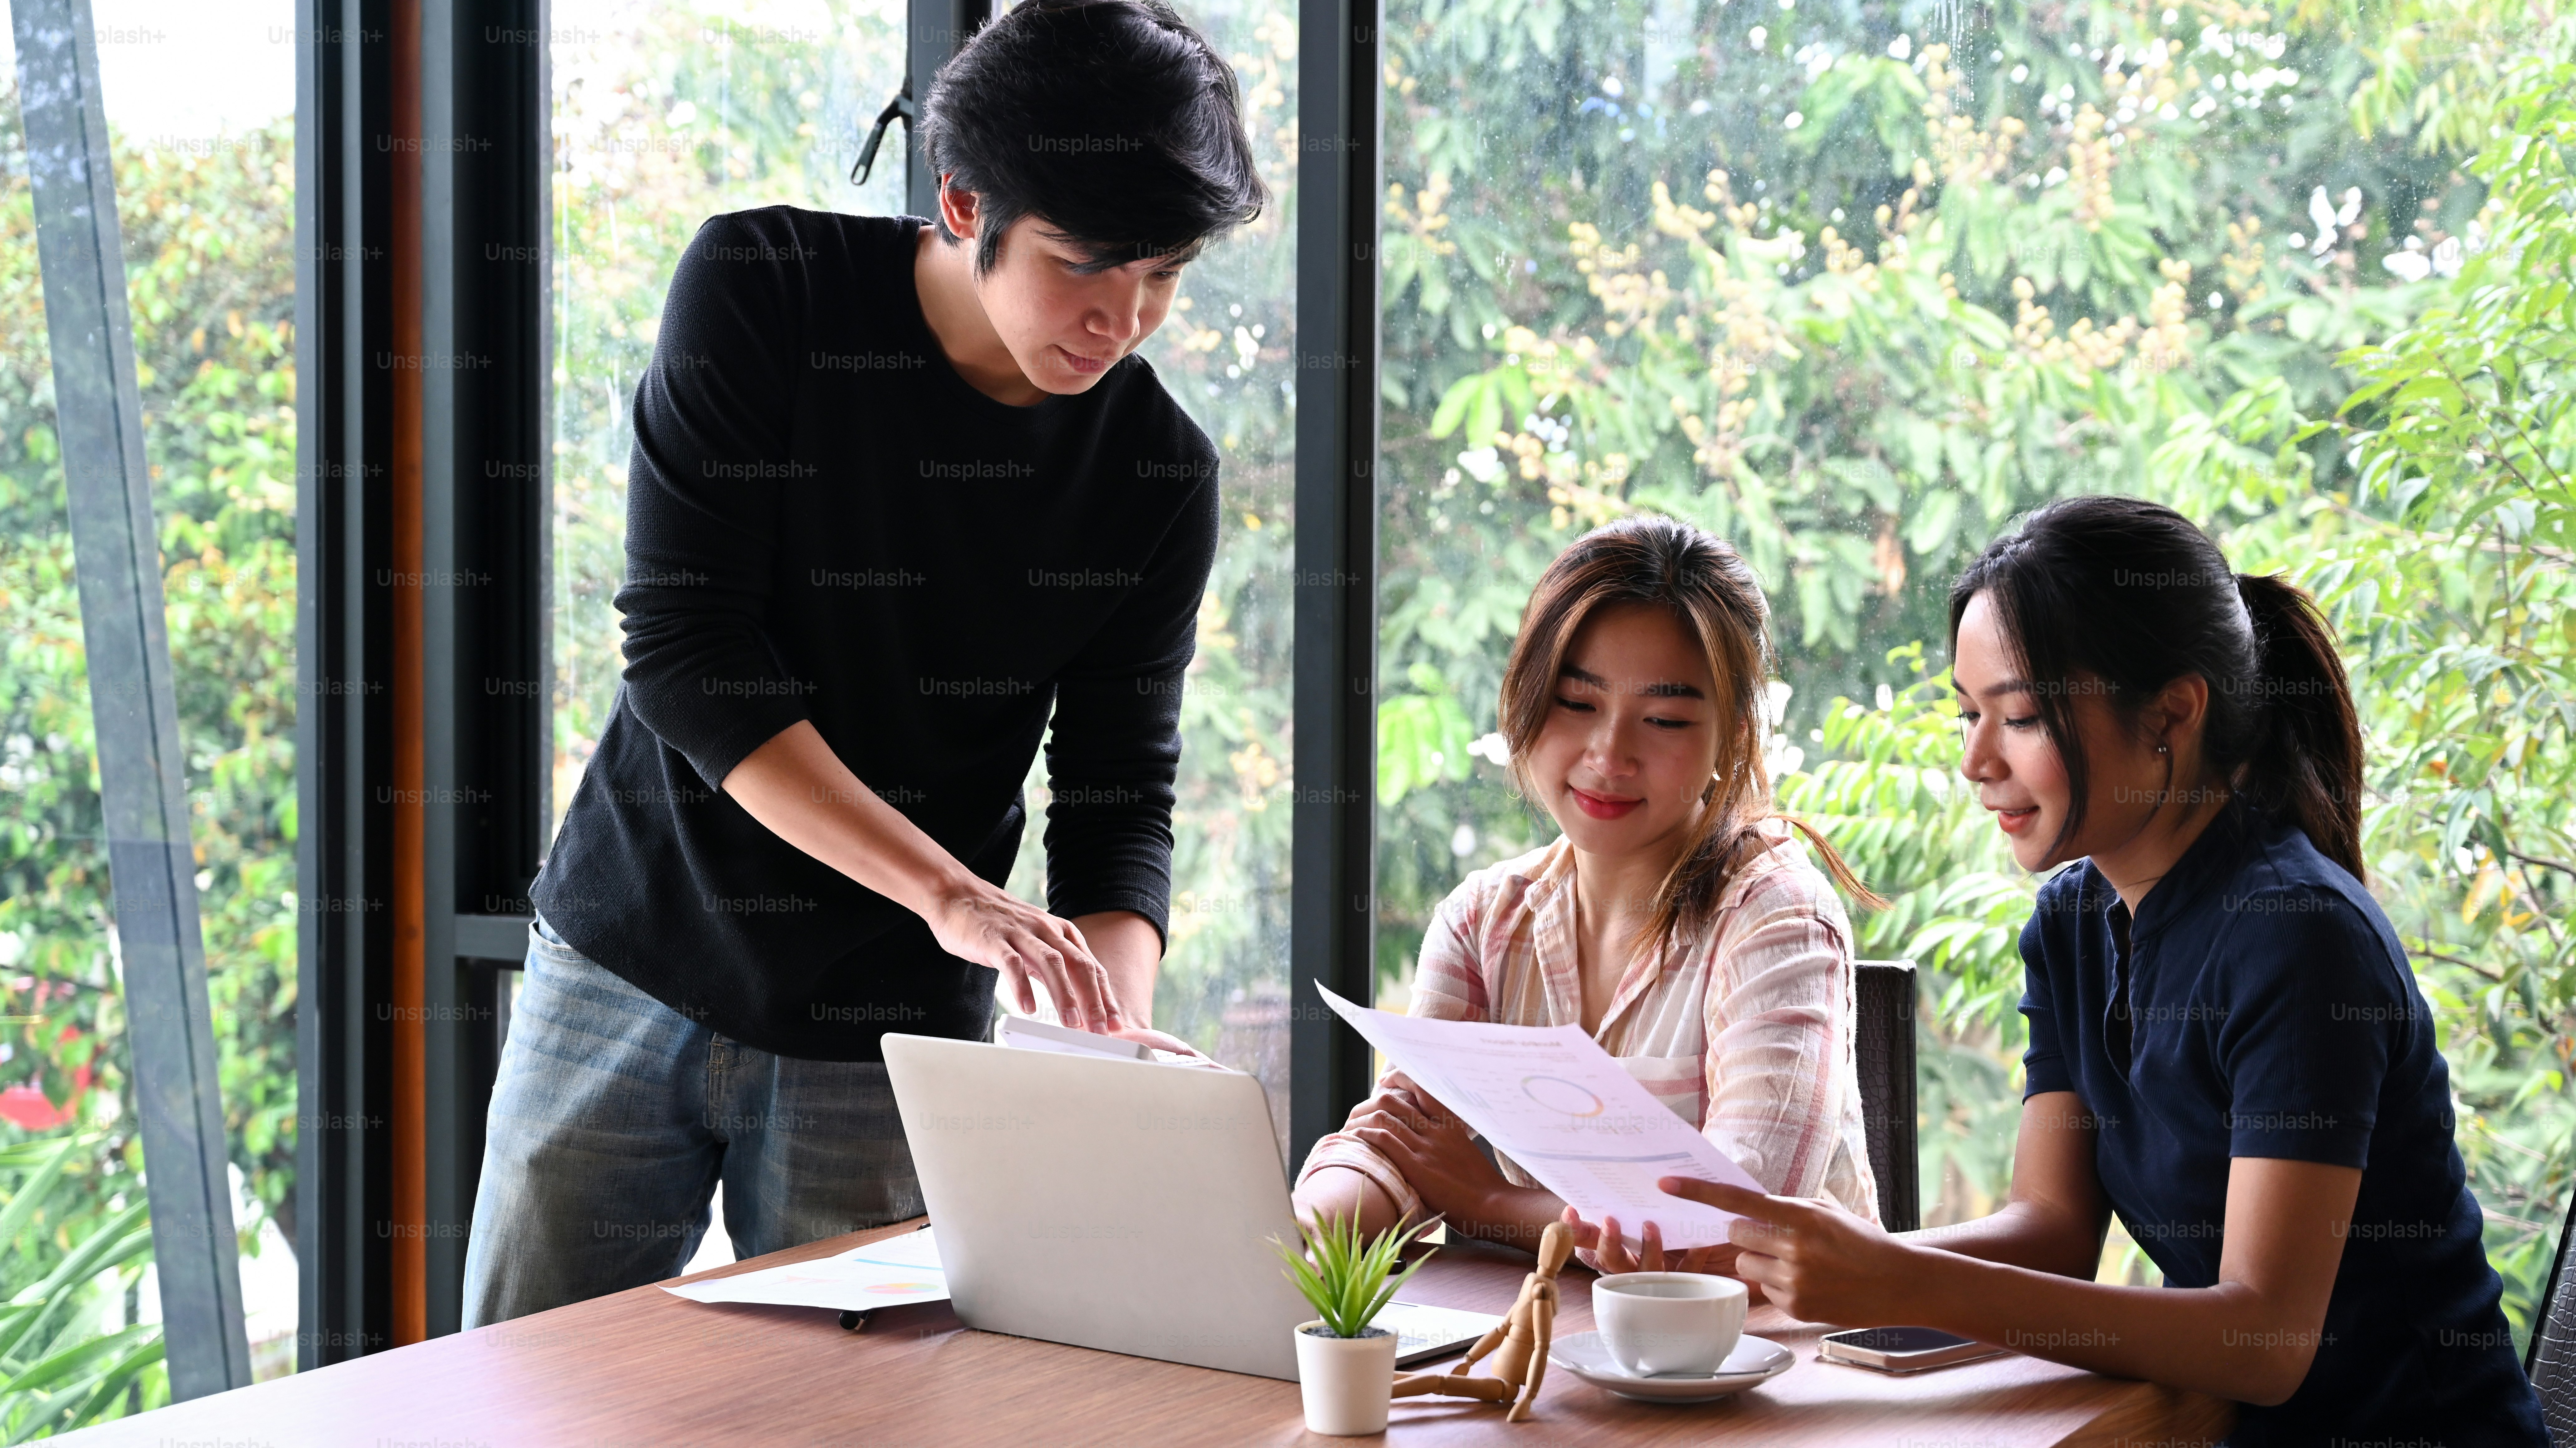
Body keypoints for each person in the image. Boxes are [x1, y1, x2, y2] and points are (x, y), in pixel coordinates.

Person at [461, 0, 1266, 1325]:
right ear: (963, 203)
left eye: (1166, 275)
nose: (1123, 319)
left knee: (862, 1411)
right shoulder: (764, 288)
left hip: (891, 1035)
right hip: (632, 953)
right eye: (1085, 265)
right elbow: (687, 647)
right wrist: (959, 898)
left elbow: (1122, 791)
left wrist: (1104, 1038)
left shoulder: (1157, 473)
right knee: (519, 1390)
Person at [1566, 496, 2547, 1443]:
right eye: (1967, 715)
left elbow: (2264, 1341)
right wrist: (1790, 1259)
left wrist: (1896, 1281)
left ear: (2170, 718)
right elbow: (2053, 1229)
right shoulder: (2076, 922)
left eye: (2022, 718)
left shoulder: (2299, 936)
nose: (1976, 760)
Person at [1293, 516, 1884, 1262]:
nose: (1609, 755)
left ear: (1732, 737)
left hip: (1776, 1357)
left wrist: (1490, 1204)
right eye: (1577, 704)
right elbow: (1403, 1139)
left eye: (1664, 719)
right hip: (1564, 1344)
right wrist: (1303, 1226)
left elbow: (1739, 1226)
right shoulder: (1484, 921)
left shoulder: (1776, 916)